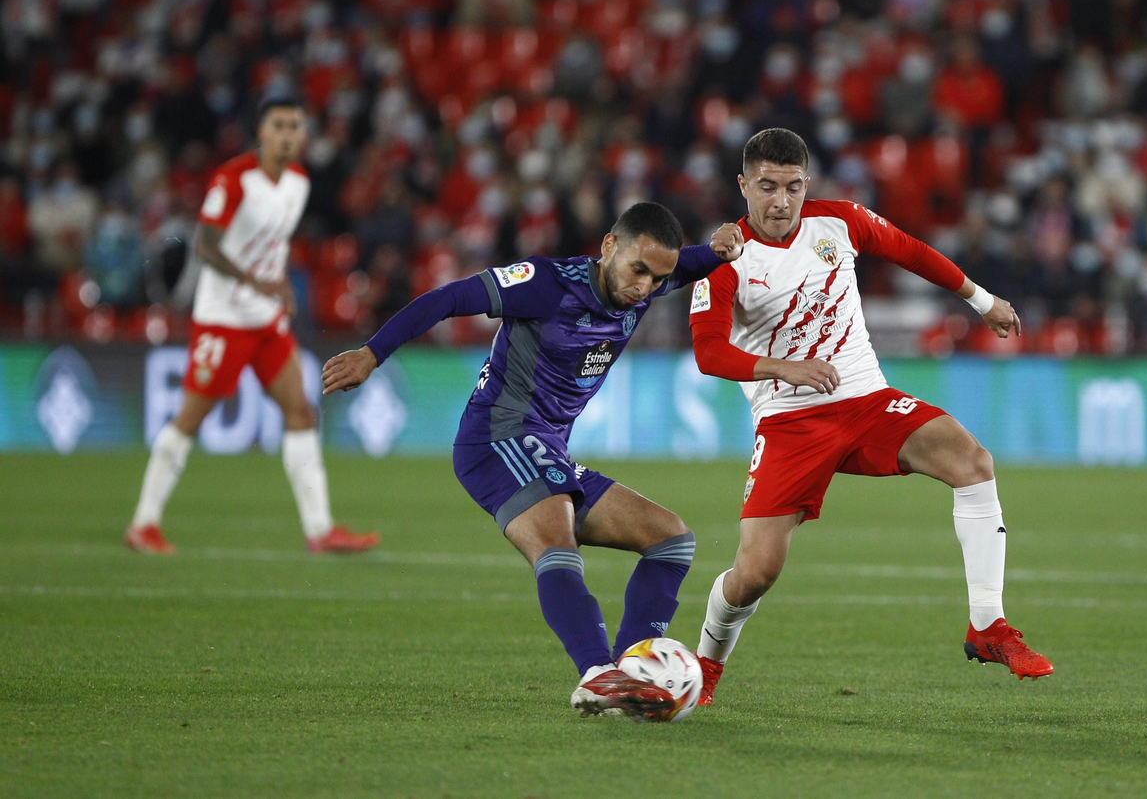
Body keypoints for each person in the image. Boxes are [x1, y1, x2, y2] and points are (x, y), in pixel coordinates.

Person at [319, 204, 744, 719]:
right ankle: (596, 673)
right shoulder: (545, 283)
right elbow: (450, 297)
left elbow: (689, 263)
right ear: (609, 246)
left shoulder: (645, 279)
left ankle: (629, 672)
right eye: (639, 271)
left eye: (658, 279)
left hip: (547, 450)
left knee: (671, 541)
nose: (646, 287)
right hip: (497, 438)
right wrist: (372, 353)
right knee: (556, 541)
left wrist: (718, 249)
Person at [688, 128, 1053, 708]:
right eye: (767, 186)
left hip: (866, 401)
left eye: (793, 186)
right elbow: (709, 353)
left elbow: (909, 250)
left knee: (972, 461)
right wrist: (784, 368)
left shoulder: (839, 222)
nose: (781, 201)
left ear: (807, 183)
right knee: (755, 573)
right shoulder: (724, 260)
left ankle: (988, 625)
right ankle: (706, 665)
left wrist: (981, 300)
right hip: (789, 421)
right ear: (743, 185)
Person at [127, 99, 378, 556]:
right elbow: (206, 246)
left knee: (300, 411)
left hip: (265, 321)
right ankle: (143, 524)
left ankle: (320, 530)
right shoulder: (234, 179)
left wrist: (278, 282)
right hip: (223, 321)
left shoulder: (298, 182)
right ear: (261, 132)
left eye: (295, 126)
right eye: (278, 125)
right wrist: (255, 281)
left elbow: (271, 243)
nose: (287, 134)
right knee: (190, 418)